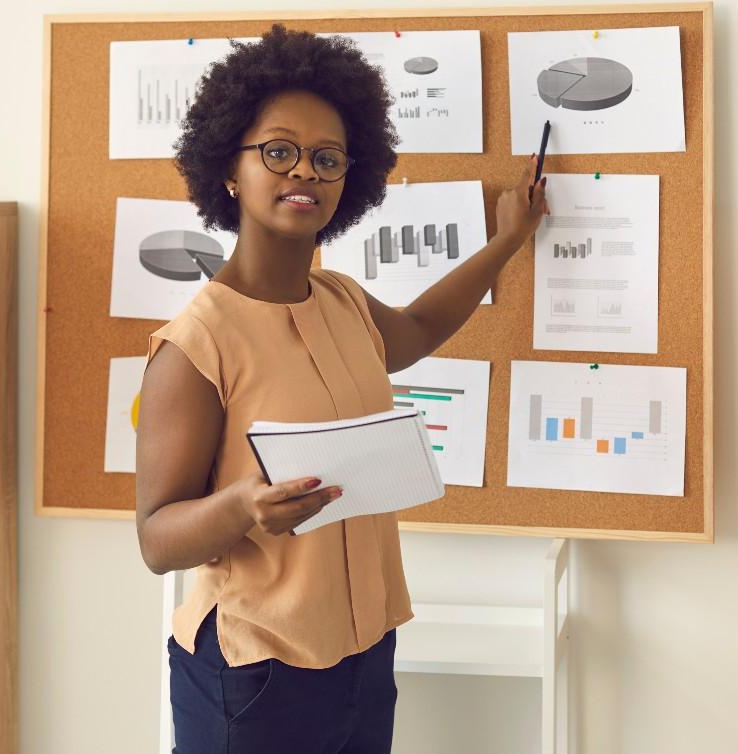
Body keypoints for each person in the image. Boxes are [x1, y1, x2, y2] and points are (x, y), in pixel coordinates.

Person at [135, 24, 548, 754]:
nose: (304, 174)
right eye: (278, 151)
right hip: (255, 669)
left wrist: (508, 241)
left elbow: (419, 326)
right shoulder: (194, 345)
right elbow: (156, 539)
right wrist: (242, 507)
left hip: (363, 652)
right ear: (229, 167)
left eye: (327, 159)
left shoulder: (341, 300)